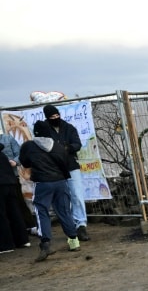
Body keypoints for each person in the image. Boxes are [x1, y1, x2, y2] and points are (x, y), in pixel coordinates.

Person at [19, 133, 79, 262]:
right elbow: (65, 162)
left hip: (42, 183)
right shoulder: (58, 146)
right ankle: (74, 241)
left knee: (41, 211)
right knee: (64, 210)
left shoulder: (29, 146)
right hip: (61, 181)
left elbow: (24, 162)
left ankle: (45, 243)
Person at [32, 105, 89, 241]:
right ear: (47, 117)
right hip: (55, 168)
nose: (55, 118)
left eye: (57, 115)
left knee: (77, 195)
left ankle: (81, 225)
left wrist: (67, 148)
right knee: (62, 200)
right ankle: (70, 228)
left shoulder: (69, 127)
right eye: (52, 117)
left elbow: (77, 144)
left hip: (70, 165)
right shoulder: (44, 128)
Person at [0, 145, 30, 253]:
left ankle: (5, 245)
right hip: (11, 184)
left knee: (1, 216)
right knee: (15, 212)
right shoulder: (3, 155)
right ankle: (22, 240)